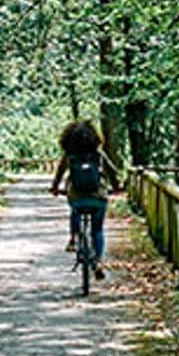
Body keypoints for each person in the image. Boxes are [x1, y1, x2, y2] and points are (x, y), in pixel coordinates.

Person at [50, 119, 122, 280]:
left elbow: (59, 174)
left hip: (77, 198)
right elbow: (112, 172)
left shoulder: (69, 156)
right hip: (98, 198)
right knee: (97, 229)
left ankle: (74, 238)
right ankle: (98, 261)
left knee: (75, 209)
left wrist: (55, 188)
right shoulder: (98, 154)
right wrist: (117, 187)